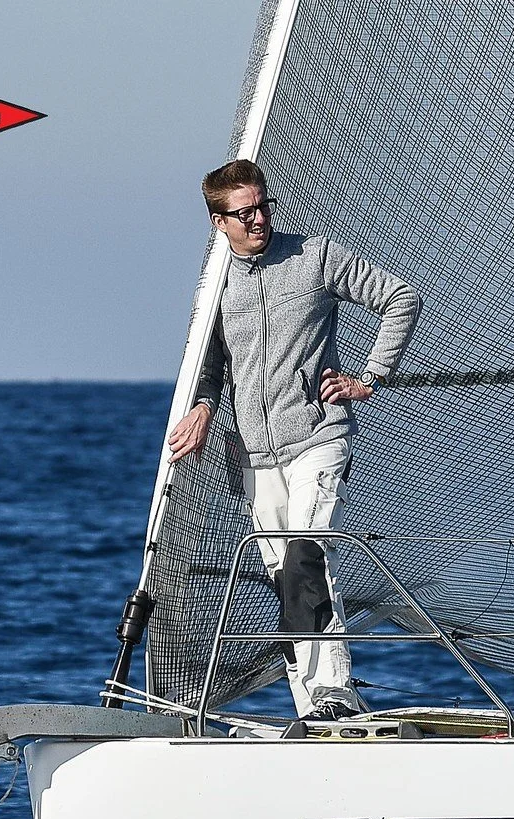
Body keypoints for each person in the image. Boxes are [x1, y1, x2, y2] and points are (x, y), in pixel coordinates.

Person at [167, 159, 419, 722]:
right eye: (244, 212)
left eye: (263, 205)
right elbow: (210, 366)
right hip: (254, 456)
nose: (258, 218)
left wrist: (369, 377)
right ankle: (317, 712)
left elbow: (400, 298)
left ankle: (334, 691)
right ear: (218, 221)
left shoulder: (313, 257)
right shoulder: (215, 289)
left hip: (318, 438)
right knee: (288, 581)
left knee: (308, 553)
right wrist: (206, 408)